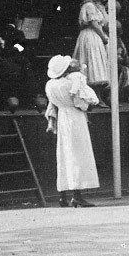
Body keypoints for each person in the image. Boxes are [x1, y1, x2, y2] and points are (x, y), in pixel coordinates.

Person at [44, 55, 100, 207]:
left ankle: (62, 196)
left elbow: (53, 104)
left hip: (62, 118)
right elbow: (80, 103)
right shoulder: (71, 82)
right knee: (77, 155)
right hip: (75, 119)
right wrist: (89, 106)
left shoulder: (49, 85)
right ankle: (77, 196)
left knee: (63, 155)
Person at [72, 0, 111, 98]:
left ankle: (94, 97)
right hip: (91, 36)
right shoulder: (89, 6)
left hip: (90, 36)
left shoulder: (90, 5)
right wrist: (104, 38)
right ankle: (95, 97)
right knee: (93, 64)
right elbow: (94, 24)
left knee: (91, 64)